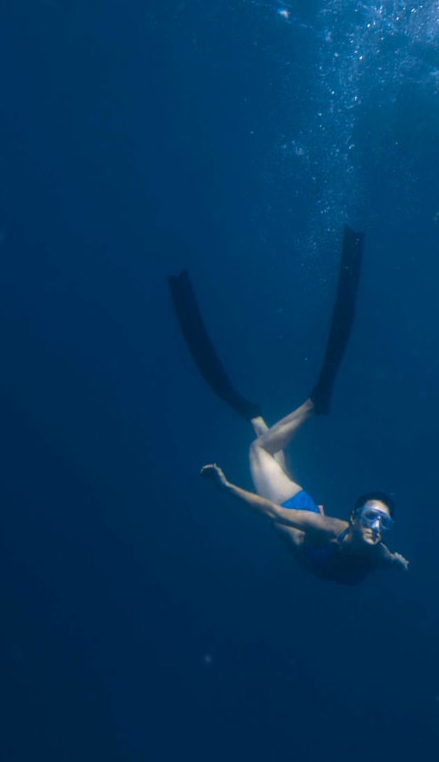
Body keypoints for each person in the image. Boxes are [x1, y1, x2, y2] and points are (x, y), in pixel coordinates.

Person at [170, 228, 408, 584]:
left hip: (305, 523)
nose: (377, 526)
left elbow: (394, 562)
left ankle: (257, 416)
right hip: (298, 514)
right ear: (354, 517)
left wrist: (401, 564)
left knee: (270, 447)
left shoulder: (381, 555)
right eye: (372, 517)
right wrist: (224, 487)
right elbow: (269, 509)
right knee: (258, 451)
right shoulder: (330, 528)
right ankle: (311, 405)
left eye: (384, 522)